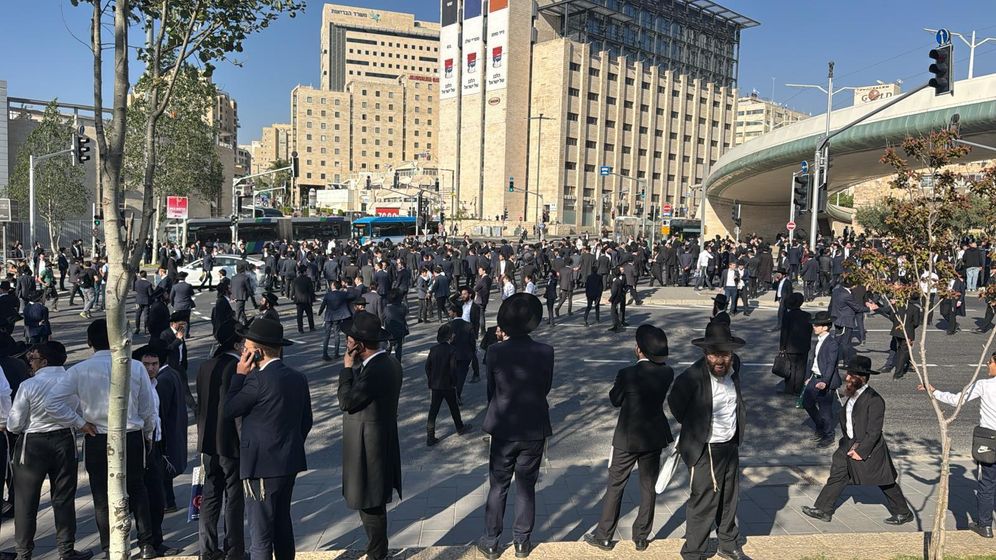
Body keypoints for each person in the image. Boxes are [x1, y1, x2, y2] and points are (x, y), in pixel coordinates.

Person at [45, 319, 158, 557]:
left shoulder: (79, 370)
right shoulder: (135, 367)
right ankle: (146, 543)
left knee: (101, 494)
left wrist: (79, 423)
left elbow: (52, 402)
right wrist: (148, 433)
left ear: (89, 342)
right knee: (137, 488)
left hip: (96, 436)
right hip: (131, 434)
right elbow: (147, 408)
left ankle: (109, 546)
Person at [224, 318, 312, 560]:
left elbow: (230, 409)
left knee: (261, 534)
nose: (243, 351)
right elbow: (306, 421)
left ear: (258, 352)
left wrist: (239, 376)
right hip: (288, 462)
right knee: (283, 525)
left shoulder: (256, 379)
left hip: (260, 467)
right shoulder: (297, 378)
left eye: (247, 347)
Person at [584, 325, 673, 552]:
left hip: (628, 436)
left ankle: (604, 535)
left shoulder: (627, 374)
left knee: (615, 485)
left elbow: (615, 399)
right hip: (654, 435)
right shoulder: (667, 372)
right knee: (647, 486)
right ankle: (642, 536)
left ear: (639, 350)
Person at [478, 293, 553, 560]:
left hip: (504, 425)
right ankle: (522, 541)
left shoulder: (495, 351)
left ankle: (491, 540)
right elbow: (545, 387)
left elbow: (491, 390)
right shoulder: (546, 351)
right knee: (526, 486)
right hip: (534, 425)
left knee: (498, 484)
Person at [668, 321, 750, 560]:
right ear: (705, 354)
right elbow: (676, 404)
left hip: (730, 444)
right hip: (705, 447)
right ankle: (692, 551)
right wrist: (696, 426)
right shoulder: (691, 377)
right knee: (704, 500)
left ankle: (727, 543)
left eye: (725, 354)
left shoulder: (735, 368)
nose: (720, 360)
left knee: (729, 497)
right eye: (714, 355)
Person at [803, 356, 914, 526]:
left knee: (885, 481)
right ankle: (823, 510)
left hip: (868, 449)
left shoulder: (875, 400)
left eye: (850, 375)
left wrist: (860, 451)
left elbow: (874, 431)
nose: (846, 378)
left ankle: (903, 512)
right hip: (848, 444)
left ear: (860, 378)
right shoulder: (853, 395)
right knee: (837, 476)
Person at [8, 341, 92, 560]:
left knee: (26, 501)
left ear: (44, 361)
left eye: (32, 359)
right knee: (64, 498)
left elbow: (14, 424)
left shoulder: (29, 385)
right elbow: (81, 409)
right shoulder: (72, 381)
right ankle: (66, 549)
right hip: (64, 440)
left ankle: (23, 553)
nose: (30, 363)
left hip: (33, 443)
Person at [337, 312, 403, 560]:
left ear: (359, 344)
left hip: (370, 446)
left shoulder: (375, 369)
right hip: (378, 439)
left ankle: (377, 553)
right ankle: (377, 550)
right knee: (371, 502)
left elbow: (347, 401)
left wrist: (346, 369)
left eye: (349, 339)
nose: (346, 343)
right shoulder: (389, 362)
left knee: (371, 503)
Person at [921, 353, 996, 538]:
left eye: (990, 362)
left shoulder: (985, 385)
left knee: (987, 483)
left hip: (989, 439)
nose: (988, 365)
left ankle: (985, 525)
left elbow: (957, 400)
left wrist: (934, 391)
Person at [196, 320, 246, 559]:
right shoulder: (237, 369)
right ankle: (234, 548)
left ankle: (207, 548)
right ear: (237, 344)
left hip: (208, 441)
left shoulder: (206, 366)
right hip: (231, 444)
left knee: (210, 495)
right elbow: (238, 411)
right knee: (234, 496)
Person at [132, 343, 184, 554]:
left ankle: (156, 539)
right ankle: (145, 542)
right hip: (140, 445)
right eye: (146, 364)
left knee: (157, 496)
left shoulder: (155, 385)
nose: (151, 368)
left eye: (154, 364)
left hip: (155, 446)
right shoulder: (134, 387)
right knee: (142, 496)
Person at [424, 323, 473, 446]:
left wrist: (431, 379)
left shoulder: (433, 349)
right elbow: (453, 369)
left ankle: (430, 435)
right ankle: (459, 427)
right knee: (453, 407)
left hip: (435, 385)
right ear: (449, 337)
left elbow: (427, 367)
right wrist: (454, 382)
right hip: (448, 385)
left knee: (433, 410)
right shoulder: (452, 350)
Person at [804, 311, 842, 448]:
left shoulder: (831, 344)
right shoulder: (819, 341)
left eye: (817, 325)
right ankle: (820, 426)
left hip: (825, 380)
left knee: (825, 410)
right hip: (814, 378)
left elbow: (831, 364)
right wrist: (808, 377)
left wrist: (824, 381)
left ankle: (828, 435)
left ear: (825, 327)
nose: (814, 327)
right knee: (807, 403)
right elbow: (813, 360)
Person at [779, 293, 812, 396]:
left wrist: (782, 347)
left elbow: (784, 332)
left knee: (790, 367)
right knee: (801, 368)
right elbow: (809, 331)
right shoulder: (807, 315)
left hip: (790, 346)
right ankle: (798, 389)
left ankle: (789, 388)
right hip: (803, 346)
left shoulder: (788, 315)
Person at [319, 280, 355, 361]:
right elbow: (352, 296)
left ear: (333, 286)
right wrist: (345, 290)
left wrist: (319, 312)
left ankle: (325, 353)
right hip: (338, 316)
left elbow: (323, 305)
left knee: (327, 335)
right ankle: (336, 353)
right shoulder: (342, 294)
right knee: (336, 334)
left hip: (329, 316)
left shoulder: (328, 295)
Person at [134, 270, 154, 335]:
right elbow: (150, 293)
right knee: (146, 315)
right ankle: (146, 328)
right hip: (146, 301)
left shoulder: (137, 282)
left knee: (138, 315)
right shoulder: (148, 284)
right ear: (146, 275)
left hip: (138, 300)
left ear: (140, 275)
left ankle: (137, 328)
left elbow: (136, 290)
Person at [608, 266, 626, 333]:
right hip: (619, 298)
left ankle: (616, 325)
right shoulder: (619, 281)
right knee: (614, 311)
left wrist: (610, 299)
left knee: (613, 312)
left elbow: (614, 291)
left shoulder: (616, 281)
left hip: (615, 298)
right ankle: (617, 324)